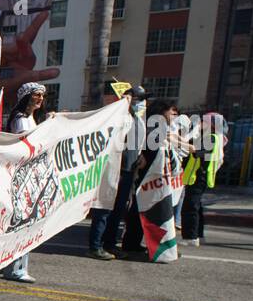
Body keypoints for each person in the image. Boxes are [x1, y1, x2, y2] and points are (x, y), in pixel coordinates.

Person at [88, 85, 147, 259]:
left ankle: (110, 244)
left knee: (118, 210)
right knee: (104, 208)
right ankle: (95, 245)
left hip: (128, 170)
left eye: (142, 99)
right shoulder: (116, 117)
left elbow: (138, 141)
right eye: (137, 98)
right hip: (113, 169)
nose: (141, 103)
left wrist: (140, 154)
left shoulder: (137, 118)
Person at [0, 82, 47, 283]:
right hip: (22, 177)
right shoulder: (20, 120)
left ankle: (17, 265)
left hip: (30, 176)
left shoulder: (30, 118)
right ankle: (15, 268)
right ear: (26, 97)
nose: (40, 99)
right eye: (36, 95)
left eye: (42, 96)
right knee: (22, 222)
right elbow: (26, 147)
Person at [119, 98, 178, 257]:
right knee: (140, 209)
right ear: (162, 111)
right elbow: (147, 149)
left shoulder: (158, 126)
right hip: (147, 174)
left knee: (143, 210)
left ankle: (133, 243)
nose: (172, 116)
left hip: (155, 174)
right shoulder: (153, 126)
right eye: (170, 112)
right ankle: (131, 243)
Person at [180, 112, 226, 247]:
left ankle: (190, 237)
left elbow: (198, 152)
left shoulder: (211, 138)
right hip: (198, 175)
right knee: (196, 206)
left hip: (199, 176)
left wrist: (185, 145)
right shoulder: (207, 136)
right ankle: (198, 234)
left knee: (190, 206)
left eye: (203, 121)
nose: (200, 123)